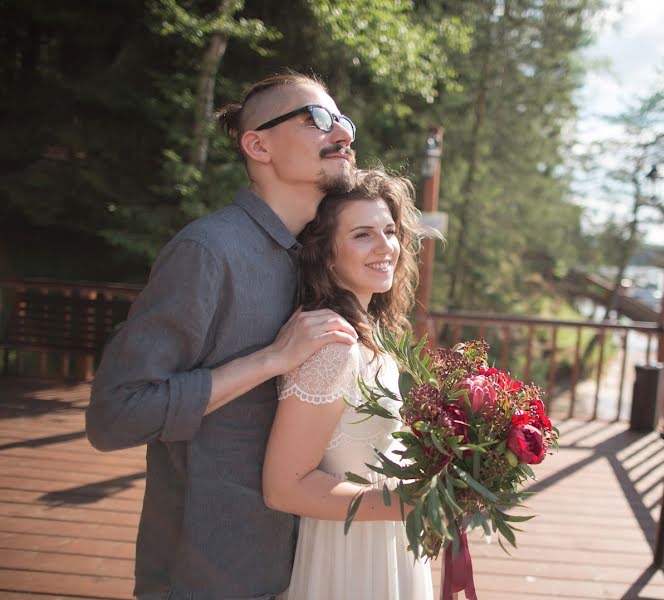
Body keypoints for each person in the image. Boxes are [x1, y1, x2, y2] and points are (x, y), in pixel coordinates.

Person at [86, 71, 360, 599]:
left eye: (343, 119)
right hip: (207, 576)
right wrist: (269, 360)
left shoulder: (318, 259)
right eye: (318, 119)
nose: (344, 133)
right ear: (257, 145)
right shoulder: (206, 253)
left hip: (302, 569)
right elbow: (113, 416)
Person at [262, 169, 434, 600]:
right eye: (362, 235)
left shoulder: (370, 335)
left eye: (390, 231)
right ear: (327, 255)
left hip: (385, 538)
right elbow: (284, 486)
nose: (385, 247)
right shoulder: (333, 349)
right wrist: (409, 504)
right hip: (352, 556)